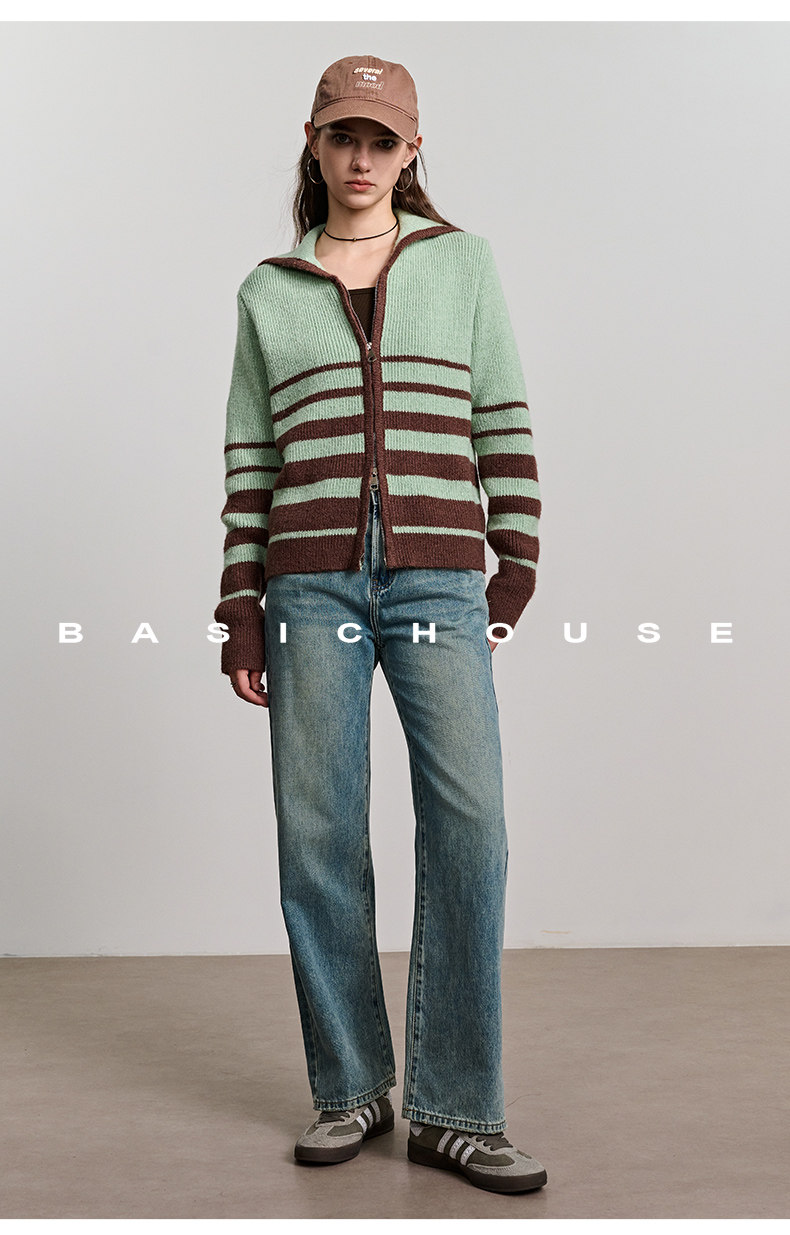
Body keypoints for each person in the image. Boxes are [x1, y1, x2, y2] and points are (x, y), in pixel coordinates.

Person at [213, 54, 546, 1196]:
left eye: (382, 140)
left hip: (436, 580)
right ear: (313, 145)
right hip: (306, 588)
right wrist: (240, 606)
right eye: (342, 137)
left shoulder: (461, 263)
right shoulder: (268, 290)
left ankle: (456, 1109)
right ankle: (350, 1083)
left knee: (470, 827)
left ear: (411, 152)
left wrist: (515, 564)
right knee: (316, 833)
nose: (361, 159)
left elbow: (501, 412)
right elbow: (250, 460)